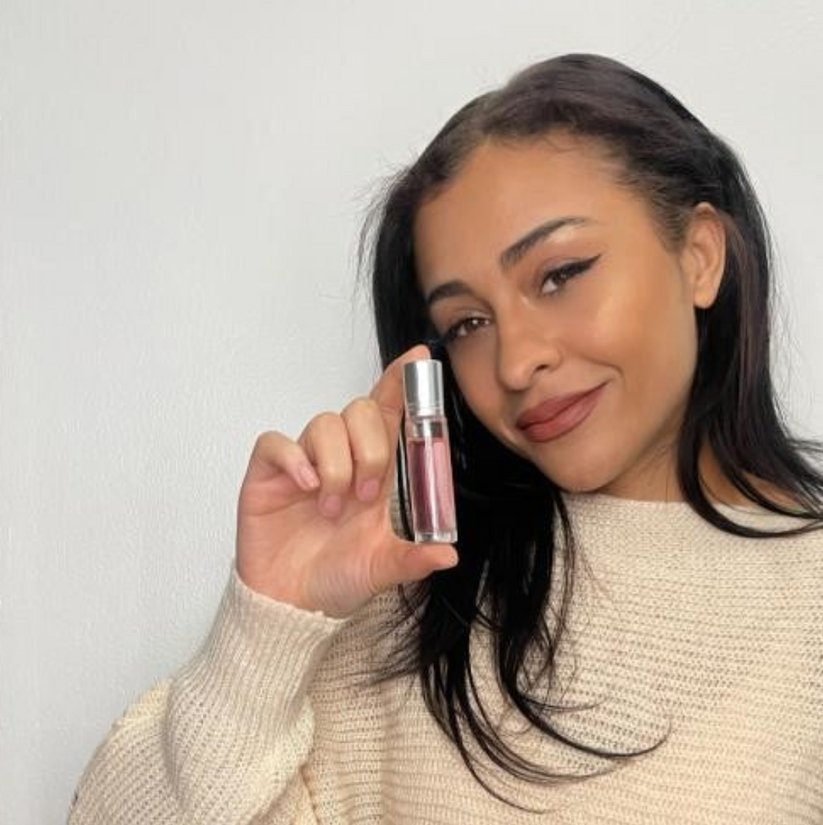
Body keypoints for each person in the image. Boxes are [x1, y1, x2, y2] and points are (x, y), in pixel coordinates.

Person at [69, 53, 823, 823]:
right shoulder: (419, 586)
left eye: (559, 273)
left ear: (698, 257)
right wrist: (265, 622)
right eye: (466, 322)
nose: (517, 359)